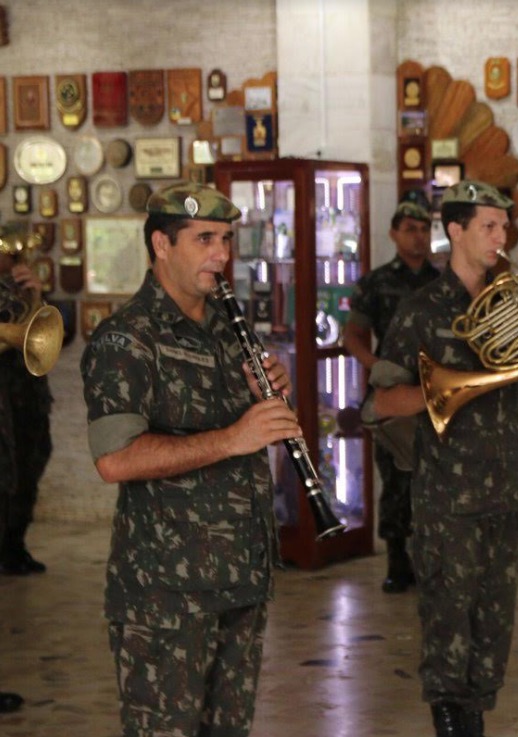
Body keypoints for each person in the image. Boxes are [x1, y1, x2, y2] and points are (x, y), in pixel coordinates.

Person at [81, 182, 302, 737]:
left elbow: (244, 425)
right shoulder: (125, 339)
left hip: (240, 578)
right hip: (167, 595)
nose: (222, 255)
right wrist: (234, 437)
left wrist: (270, 395)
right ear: (161, 244)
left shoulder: (229, 328)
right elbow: (115, 459)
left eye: (227, 240)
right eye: (205, 239)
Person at [370, 180, 518, 737]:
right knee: (447, 611)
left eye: (505, 226)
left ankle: (475, 713)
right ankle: (446, 712)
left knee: (494, 616)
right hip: (448, 491)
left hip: (507, 483)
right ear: (455, 230)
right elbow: (379, 401)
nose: (501, 236)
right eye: (489, 225)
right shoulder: (420, 309)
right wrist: (448, 391)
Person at [346, 201, 438, 594]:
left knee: (435, 478)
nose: (419, 236)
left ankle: (435, 558)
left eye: (424, 228)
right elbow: (352, 334)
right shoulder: (377, 282)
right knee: (397, 478)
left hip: (436, 391)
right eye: (411, 228)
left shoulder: (444, 281)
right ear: (394, 233)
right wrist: (375, 365)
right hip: (392, 393)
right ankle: (398, 560)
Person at [0, 224, 53, 576]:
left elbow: (50, 335)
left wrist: (38, 295)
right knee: (6, 474)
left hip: (28, 392)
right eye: (8, 252)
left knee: (33, 461)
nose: (12, 259)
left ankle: (14, 546)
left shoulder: (19, 284)